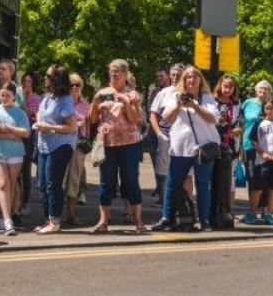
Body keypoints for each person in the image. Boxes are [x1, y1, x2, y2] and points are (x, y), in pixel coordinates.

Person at [152, 66, 219, 232]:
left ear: (200, 80)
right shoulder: (175, 97)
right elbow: (165, 119)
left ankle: (204, 221)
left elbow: (213, 119)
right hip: (180, 147)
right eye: (188, 77)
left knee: (203, 185)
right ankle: (166, 218)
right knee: (172, 183)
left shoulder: (206, 98)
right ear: (184, 81)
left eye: (195, 77)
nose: (191, 80)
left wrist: (194, 106)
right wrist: (177, 105)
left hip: (203, 147)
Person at [89, 60, 146, 234]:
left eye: (117, 72)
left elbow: (136, 120)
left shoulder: (132, 94)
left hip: (129, 145)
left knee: (130, 182)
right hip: (108, 144)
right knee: (106, 183)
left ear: (124, 74)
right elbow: (92, 119)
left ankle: (138, 222)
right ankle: (103, 221)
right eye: (112, 72)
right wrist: (95, 104)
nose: (114, 75)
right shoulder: (102, 93)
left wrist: (126, 103)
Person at [32, 65, 78, 234]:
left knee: (53, 184)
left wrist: (48, 127)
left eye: (48, 75)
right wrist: (39, 122)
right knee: (43, 184)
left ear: (56, 79)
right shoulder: (47, 97)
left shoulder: (65, 100)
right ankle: (48, 220)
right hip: (45, 145)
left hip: (60, 145)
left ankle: (55, 221)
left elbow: (72, 127)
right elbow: (40, 112)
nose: (45, 78)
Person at [0, 81, 29, 236]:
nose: (3, 98)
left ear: (14, 96)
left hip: (15, 154)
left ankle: (7, 216)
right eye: (1, 95)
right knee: (2, 184)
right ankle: (7, 220)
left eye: (7, 95)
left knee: (11, 183)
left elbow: (26, 132)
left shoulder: (20, 113)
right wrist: (11, 136)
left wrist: (9, 129)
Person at [244, 98, 273, 225]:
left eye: (272, 108)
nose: (269, 111)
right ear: (264, 109)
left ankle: (269, 213)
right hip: (262, 161)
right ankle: (252, 213)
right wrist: (262, 153)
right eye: (267, 108)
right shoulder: (259, 123)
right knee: (257, 188)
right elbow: (253, 141)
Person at [148, 63, 186, 201]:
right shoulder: (163, 93)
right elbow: (153, 114)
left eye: (178, 74)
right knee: (163, 172)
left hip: (183, 138)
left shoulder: (190, 92)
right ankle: (166, 206)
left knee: (184, 174)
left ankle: (181, 205)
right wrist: (159, 134)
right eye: (173, 74)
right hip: (165, 135)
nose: (175, 77)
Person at [211, 75, 241, 226]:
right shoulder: (212, 101)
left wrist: (238, 130)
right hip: (213, 146)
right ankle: (212, 213)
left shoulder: (236, 104)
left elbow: (240, 123)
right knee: (212, 182)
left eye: (231, 86)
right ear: (220, 86)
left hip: (230, 147)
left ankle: (228, 212)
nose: (227, 89)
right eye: (225, 86)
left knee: (230, 182)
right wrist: (218, 122)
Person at [64, 73, 92, 226]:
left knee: (74, 180)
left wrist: (85, 133)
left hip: (78, 146)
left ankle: (71, 214)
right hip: (62, 143)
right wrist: (77, 124)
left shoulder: (85, 104)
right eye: (71, 85)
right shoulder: (63, 102)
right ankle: (54, 215)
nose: (74, 88)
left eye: (77, 85)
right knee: (59, 180)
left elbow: (88, 124)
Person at [239, 80, 271, 201]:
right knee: (252, 175)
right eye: (261, 88)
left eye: (266, 89)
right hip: (249, 144)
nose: (263, 91)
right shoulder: (247, 103)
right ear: (256, 90)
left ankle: (264, 207)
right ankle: (253, 207)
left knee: (265, 175)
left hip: (267, 146)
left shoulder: (271, 105)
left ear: (269, 92)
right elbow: (241, 122)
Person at [21, 70, 42, 208]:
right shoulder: (17, 95)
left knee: (26, 170)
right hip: (16, 135)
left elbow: (33, 116)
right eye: (25, 81)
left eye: (29, 81)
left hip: (29, 137)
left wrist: (24, 104)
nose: (26, 84)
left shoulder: (36, 98)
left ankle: (26, 202)